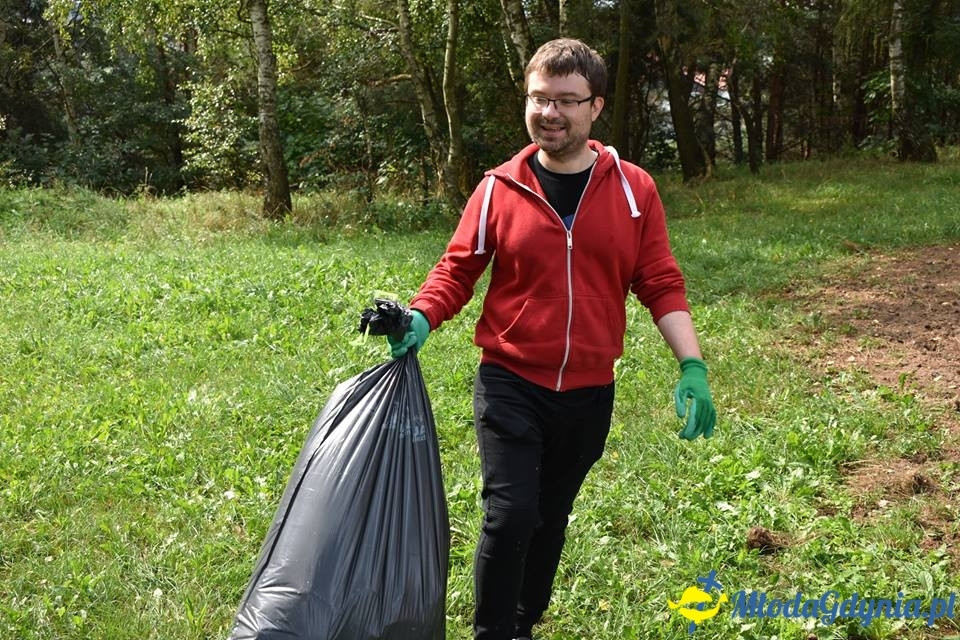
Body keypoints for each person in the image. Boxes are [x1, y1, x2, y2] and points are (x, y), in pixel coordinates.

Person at [387, 38, 717, 640]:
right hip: (510, 380)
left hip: (590, 391)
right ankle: (492, 633)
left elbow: (660, 280)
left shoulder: (633, 189)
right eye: (540, 98)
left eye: (567, 100)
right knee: (510, 516)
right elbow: (458, 268)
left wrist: (690, 365)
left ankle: (522, 622)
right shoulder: (497, 188)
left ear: (595, 108)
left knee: (550, 516)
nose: (550, 113)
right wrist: (421, 317)